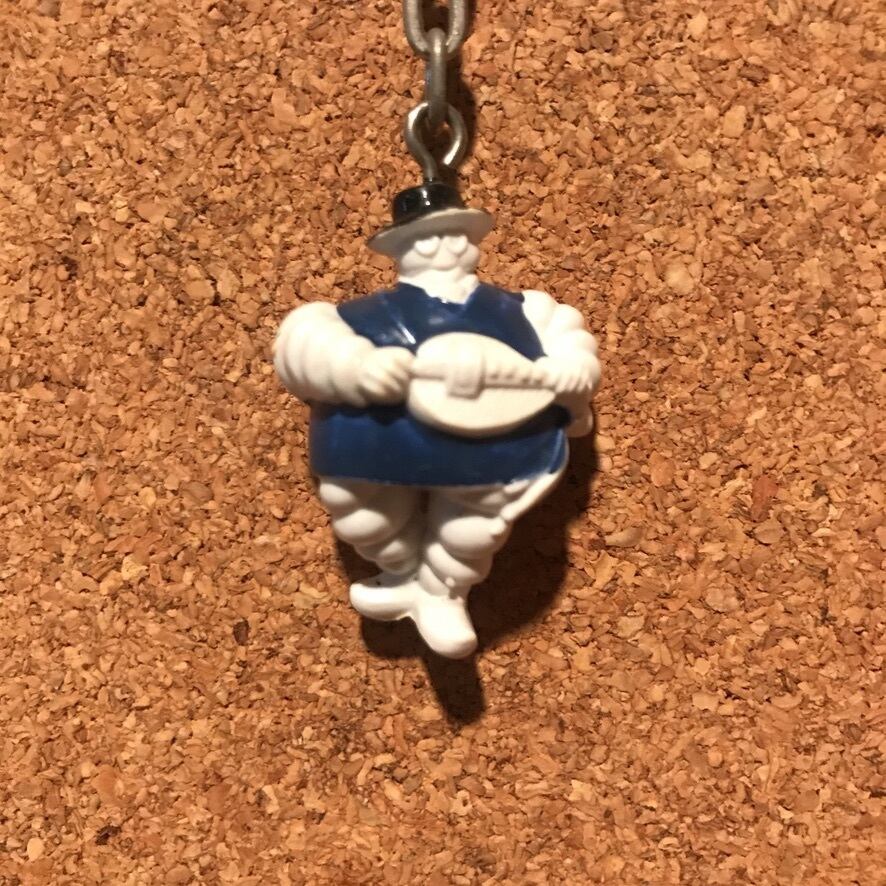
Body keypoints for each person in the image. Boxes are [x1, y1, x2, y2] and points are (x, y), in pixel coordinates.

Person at [274, 182, 600, 658]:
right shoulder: (357, 317)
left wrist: (572, 370)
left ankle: (442, 592)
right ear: (400, 250)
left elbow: (570, 340)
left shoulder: (527, 311)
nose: (442, 248)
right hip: (374, 447)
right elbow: (301, 341)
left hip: (492, 451)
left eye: (453, 236)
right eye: (426, 240)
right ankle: (402, 574)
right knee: (362, 514)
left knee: (474, 527)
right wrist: (357, 365)